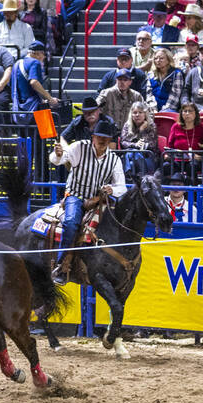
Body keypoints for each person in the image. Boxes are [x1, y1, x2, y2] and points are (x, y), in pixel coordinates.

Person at [48, 118, 126, 286]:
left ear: (110, 140)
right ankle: (62, 266)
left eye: (106, 138)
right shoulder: (79, 147)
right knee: (70, 222)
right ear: (93, 137)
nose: (103, 141)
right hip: (76, 195)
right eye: (100, 137)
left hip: (99, 199)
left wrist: (112, 190)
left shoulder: (114, 160)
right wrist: (58, 154)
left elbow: (122, 187)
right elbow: (59, 159)